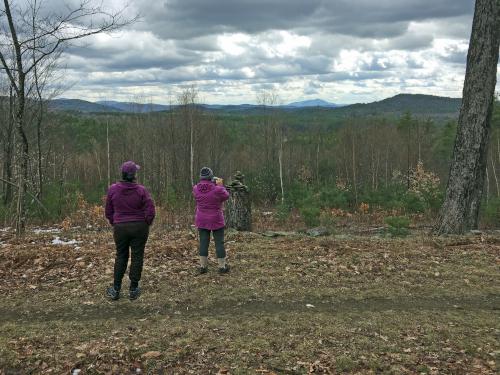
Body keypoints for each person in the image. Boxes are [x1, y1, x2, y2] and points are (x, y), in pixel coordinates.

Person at [104, 161, 155, 300]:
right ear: (134, 175)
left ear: (123, 173)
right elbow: (150, 208)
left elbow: (108, 211)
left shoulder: (113, 189)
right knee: (137, 256)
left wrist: (114, 221)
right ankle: (133, 289)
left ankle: (116, 289)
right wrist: (147, 222)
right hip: (139, 227)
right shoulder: (141, 190)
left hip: (121, 227)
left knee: (121, 256)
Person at [193, 167, 230, 274]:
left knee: (203, 242)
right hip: (216, 219)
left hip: (202, 219)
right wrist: (220, 185)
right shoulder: (217, 189)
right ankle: (222, 267)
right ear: (211, 177)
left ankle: (203, 267)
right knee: (219, 243)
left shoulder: (195, 188)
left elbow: (200, 195)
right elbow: (226, 196)